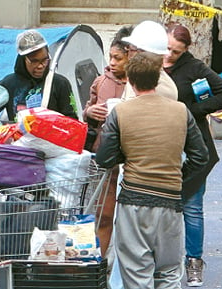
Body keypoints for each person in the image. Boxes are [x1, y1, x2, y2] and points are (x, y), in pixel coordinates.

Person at [96, 51, 208, 289]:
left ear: (130, 80)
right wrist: (178, 177)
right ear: (157, 79)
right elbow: (200, 157)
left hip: (134, 200)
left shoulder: (121, 113)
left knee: (137, 273)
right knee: (168, 272)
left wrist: (127, 154)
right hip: (170, 200)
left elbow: (105, 158)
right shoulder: (180, 111)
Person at [163, 23, 222, 287]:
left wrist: (193, 110)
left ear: (186, 51)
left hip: (192, 147)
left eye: (176, 52)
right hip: (159, 146)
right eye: (167, 49)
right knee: (160, 207)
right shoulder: (149, 61)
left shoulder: (194, 68)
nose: (169, 55)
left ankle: (194, 261)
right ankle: (162, 261)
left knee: (192, 207)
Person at [82, 25, 133, 258]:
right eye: (110, 57)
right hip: (105, 158)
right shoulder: (101, 81)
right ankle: (100, 263)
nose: (112, 62)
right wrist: (90, 112)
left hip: (132, 159)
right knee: (103, 213)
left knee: (129, 222)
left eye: (118, 58)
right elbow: (85, 112)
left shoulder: (137, 84)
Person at [0, 29, 77, 120]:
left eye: (44, 60)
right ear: (23, 60)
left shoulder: (60, 84)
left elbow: (72, 121)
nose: (40, 66)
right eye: (34, 61)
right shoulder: (9, 84)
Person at [120, 20, 178, 101]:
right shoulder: (136, 76)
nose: (128, 55)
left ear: (143, 55)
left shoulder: (163, 89)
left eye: (131, 50)